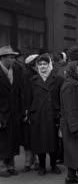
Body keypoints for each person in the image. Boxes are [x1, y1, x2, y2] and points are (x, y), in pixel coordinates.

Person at [29, 53, 63, 175]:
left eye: (45, 64)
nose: (42, 67)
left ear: (49, 65)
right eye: (40, 64)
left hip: (53, 115)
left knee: (53, 142)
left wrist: (60, 112)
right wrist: (29, 114)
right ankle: (42, 166)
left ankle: (54, 165)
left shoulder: (58, 80)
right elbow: (29, 99)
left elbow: (61, 98)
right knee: (40, 142)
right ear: (37, 66)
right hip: (38, 115)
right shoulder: (32, 81)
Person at [0, 46, 22, 177]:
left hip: (14, 112)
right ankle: (2, 166)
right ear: (3, 58)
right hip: (2, 112)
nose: (13, 60)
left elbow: (20, 92)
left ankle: (11, 165)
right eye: (10, 57)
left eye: (14, 57)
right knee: (2, 140)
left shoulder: (16, 71)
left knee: (13, 139)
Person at [21, 54, 40, 172]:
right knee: (29, 136)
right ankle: (30, 162)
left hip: (32, 109)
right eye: (38, 62)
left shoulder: (33, 73)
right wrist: (27, 111)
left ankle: (32, 161)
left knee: (31, 136)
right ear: (33, 63)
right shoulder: (28, 75)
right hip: (30, 109)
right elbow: (26, 94)